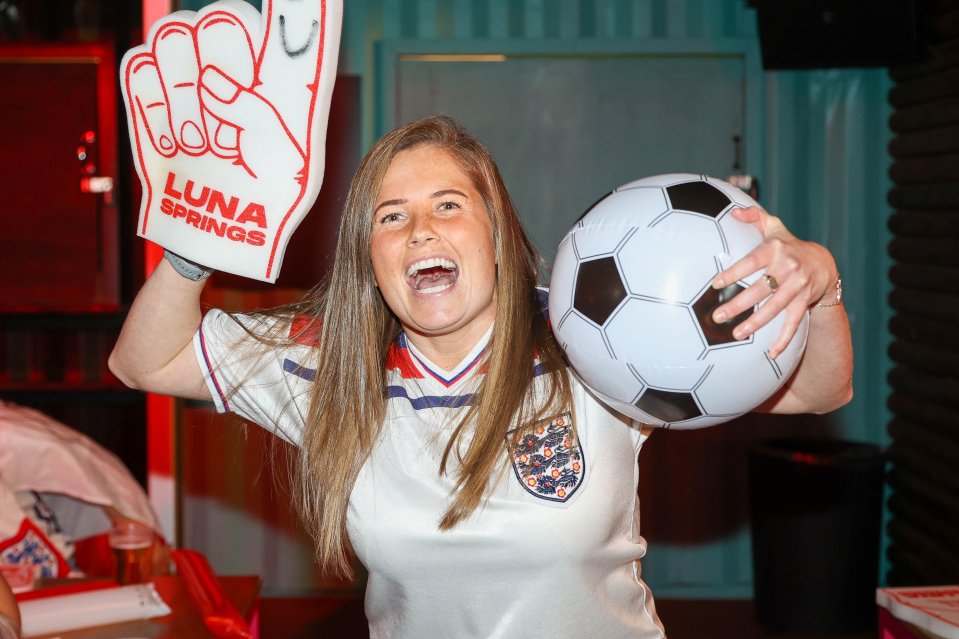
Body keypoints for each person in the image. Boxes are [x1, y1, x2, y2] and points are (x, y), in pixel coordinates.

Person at [109, 115, 853, 637]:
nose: (421, 230)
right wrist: (189, 244)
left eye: (447, 205)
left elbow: (821, 390)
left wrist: (820, 285)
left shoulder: (593, 337)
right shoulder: (325, 364)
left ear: (495, 232)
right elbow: (141, 361)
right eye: (390, 217)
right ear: (369, 259)